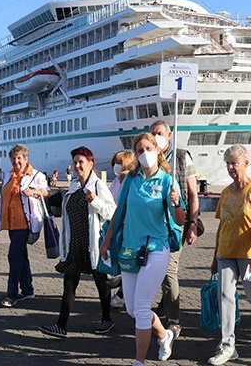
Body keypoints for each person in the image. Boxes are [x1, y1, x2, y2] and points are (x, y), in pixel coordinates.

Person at [99, 133, 186, 366]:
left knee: (142, 306)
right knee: (132, 309)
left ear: (158, 150)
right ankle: (164, 334)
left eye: (149, 148)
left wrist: (176, 202)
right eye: (139, 150)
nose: (144, 153)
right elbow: (120, 211)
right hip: (130, 249)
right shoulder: (132, 179)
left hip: (157, 248)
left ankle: (139, 361)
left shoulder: (167, 181)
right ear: (135, 155)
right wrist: (106, 240)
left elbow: (179, 219)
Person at [39, 147, 117, 338]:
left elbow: (112, 213)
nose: (77, 165)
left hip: (94, 244)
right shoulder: (73, 186)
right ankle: (61, 326)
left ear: (91, 164)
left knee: (101, 283)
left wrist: (95, 201)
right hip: (74, 244)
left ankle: (106, 319)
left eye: (81, 162)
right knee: (69, 284)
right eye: (75, 162)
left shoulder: (98, 186)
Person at [209, 144, 251, 365]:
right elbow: (221, 226)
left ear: (246, 163)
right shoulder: (225, 192)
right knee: (224, 298)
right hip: (225, 253)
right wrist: (214, 256)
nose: (230, 167)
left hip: (248, 254)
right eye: (228, 163)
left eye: (234, 163)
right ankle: (227, 346)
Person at [149, 120, 201, 338]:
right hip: (152, 224)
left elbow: (193, 193)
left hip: (176, 224)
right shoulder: (149, 158)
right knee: (160, 269)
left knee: (169, 270)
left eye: (160, 133)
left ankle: (174, 319)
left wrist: (192, 224)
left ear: (169, 135)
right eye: (153, 134)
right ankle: (164, 305)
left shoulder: (181, 156)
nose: (156, 137)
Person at [0, 144, 49, 307]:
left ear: (26, 159)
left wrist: (33, 192)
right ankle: (28, 290)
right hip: (10, 223)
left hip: (25, 223)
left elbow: (47, 192)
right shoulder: (8, 176)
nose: (16, 161)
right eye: (13, 158)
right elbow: (2, 198)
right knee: (21, 255)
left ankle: (11, 295)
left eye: (19, 158)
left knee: (13, 256)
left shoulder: (35, 175)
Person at [109, 150, 138, 309]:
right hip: (117, 226)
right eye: (115, 163)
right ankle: (123, 294)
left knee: (128, 263)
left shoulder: (131, 180)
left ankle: (124, 295)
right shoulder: (115, 181)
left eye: (119, 163)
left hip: (129, 228)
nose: (116, 166)